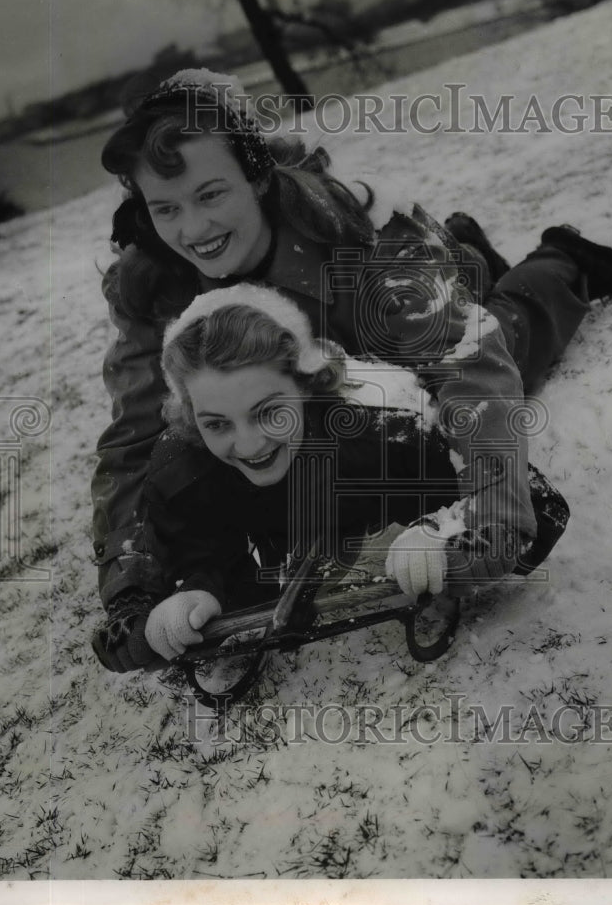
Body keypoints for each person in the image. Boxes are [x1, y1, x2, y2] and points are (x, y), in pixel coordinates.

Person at [91, 67, 612, 671]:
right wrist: (133, 589)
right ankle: (468, 249)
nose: (192, 230)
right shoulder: (149, 281)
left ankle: (560, 260)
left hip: (396, 352)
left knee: (508, 337)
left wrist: (489, 521)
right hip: (307, 401)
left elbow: (466, 364)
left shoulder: (360, 229)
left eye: (212, 194)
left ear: (257, 174)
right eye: (165, 208)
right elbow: (137, 436)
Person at [92, 284, 571, 670]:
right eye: (216, 423)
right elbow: (178, 565)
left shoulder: (389, 430)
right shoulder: (182, 470)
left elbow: (537, 508)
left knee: (517, 319)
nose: (250, 444)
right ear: (189, 416)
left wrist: (445, 535)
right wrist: (191, 596)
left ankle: (558, 259)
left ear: (306, 386)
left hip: (447, 345)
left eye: (268, 412)